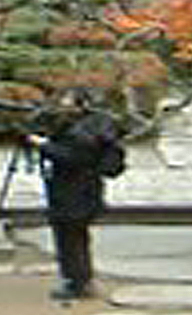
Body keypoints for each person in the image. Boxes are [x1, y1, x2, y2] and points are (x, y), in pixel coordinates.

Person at [28, 90, 126, 301]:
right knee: (76, 235)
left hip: (72, 190)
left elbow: (70, 157)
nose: (61, 106)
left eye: (66, 103)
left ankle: (78, 282)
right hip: (86, 188)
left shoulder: (82, 132)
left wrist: (43, 145)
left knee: (70, 237)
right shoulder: (96, 125)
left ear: (79, 105)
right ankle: (79, 279)